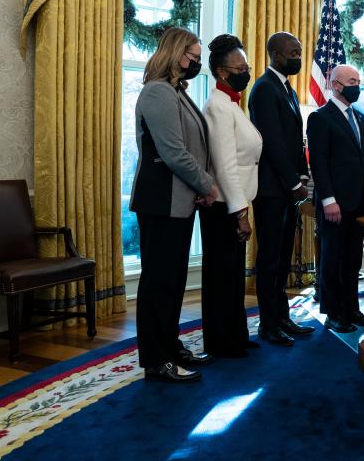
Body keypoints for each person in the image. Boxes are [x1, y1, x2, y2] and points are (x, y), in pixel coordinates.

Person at [130, 27, 218, 384]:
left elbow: (193, 147)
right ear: (175, 52)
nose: (196, 63)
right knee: (158, 283)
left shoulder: (176, 91)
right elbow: (173, 152)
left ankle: (169, 344)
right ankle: (156, 360)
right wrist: (207, 184)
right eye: (192, 57)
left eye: (197, 59)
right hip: (160, 200)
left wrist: (198, 185)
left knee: (173, 281)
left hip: (178, 200)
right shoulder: (157, 92)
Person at [249, 31, 315, 347]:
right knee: (270, 259)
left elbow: (294, 140)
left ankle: (282, 316)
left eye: (300, 52)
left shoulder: (286, 88)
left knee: (284, 256)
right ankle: (268, 323)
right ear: (275, 54)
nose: (298, 57)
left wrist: (301, 176)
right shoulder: (264, 89)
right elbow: (273, 143)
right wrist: (292, 183)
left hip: (288, 188)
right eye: (293, 52)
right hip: (272, 190)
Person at [199, 34, 262, 358]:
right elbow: (224, 165)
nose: (246, 71)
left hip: (234, 201)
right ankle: (221, 340)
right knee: (222, 276)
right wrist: (241, 212)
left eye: (247, 66)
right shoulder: (218, 107)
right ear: (223, 72)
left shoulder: (232, 103)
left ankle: (235, 334)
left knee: (233, 276)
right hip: (225, 205)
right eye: (240, 67)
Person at [306, 64, 364, 333]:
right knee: (332, 257)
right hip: (335, 202)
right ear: (336, 84)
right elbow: (319, 162)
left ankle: (350, 308)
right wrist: (328, 200)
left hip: (359, 200)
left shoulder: (360, 118)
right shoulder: (320, 118)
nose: (357, 85)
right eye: (352, 81)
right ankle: (333, 311)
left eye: (358, 80)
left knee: (351, 259)